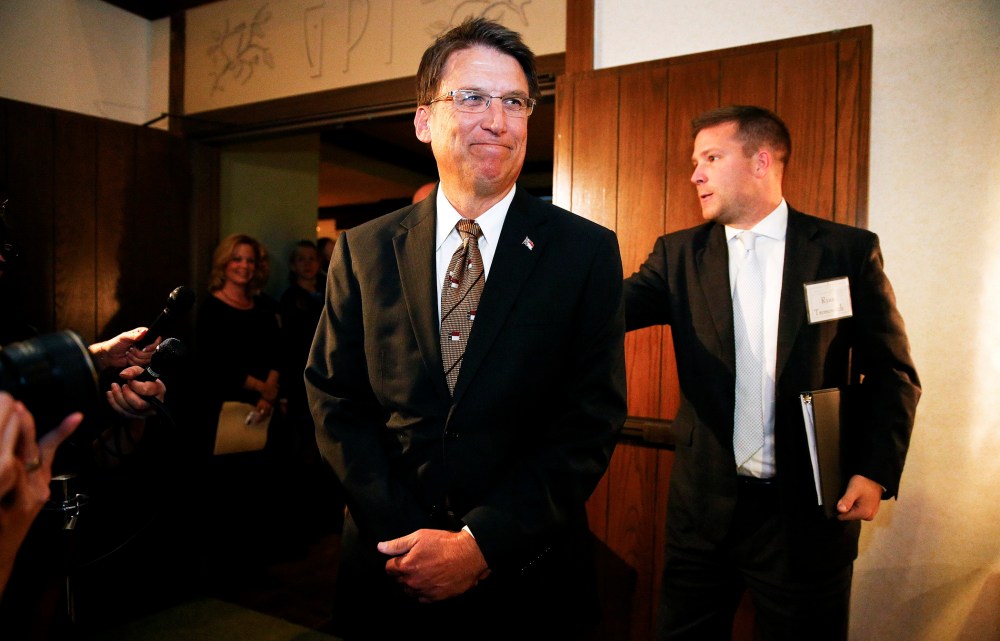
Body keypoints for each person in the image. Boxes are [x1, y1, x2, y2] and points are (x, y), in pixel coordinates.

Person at [305, 17, 627, 641]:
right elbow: (335, 400)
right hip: (387, 565)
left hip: (527, 575)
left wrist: (480, 545)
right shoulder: (364, 250)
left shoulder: (583, 252)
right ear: (424, 120)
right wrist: (405, 539)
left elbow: (589, 420)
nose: (498, 120)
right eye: (473, 97)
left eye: (514, 102)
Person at [623, 105, 921, 641]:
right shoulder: (678, 255)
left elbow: (892, 373)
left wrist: (874, 471)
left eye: (711, 157)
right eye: (695, 161)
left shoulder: (844, 252)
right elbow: (607, 310)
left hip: (805, 515)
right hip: (702, 513)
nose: (696, 174)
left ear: (762, 161)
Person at [194, 232, 281, 455]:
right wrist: (263, 389)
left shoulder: (264, 307)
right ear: (224, 263)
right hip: (222, 410)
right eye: (237, 259)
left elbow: (278, 352)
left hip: (266, 407)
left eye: (250, 260)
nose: (244, 266)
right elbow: (214, 364)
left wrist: (268, 394)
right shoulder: (211, 309)